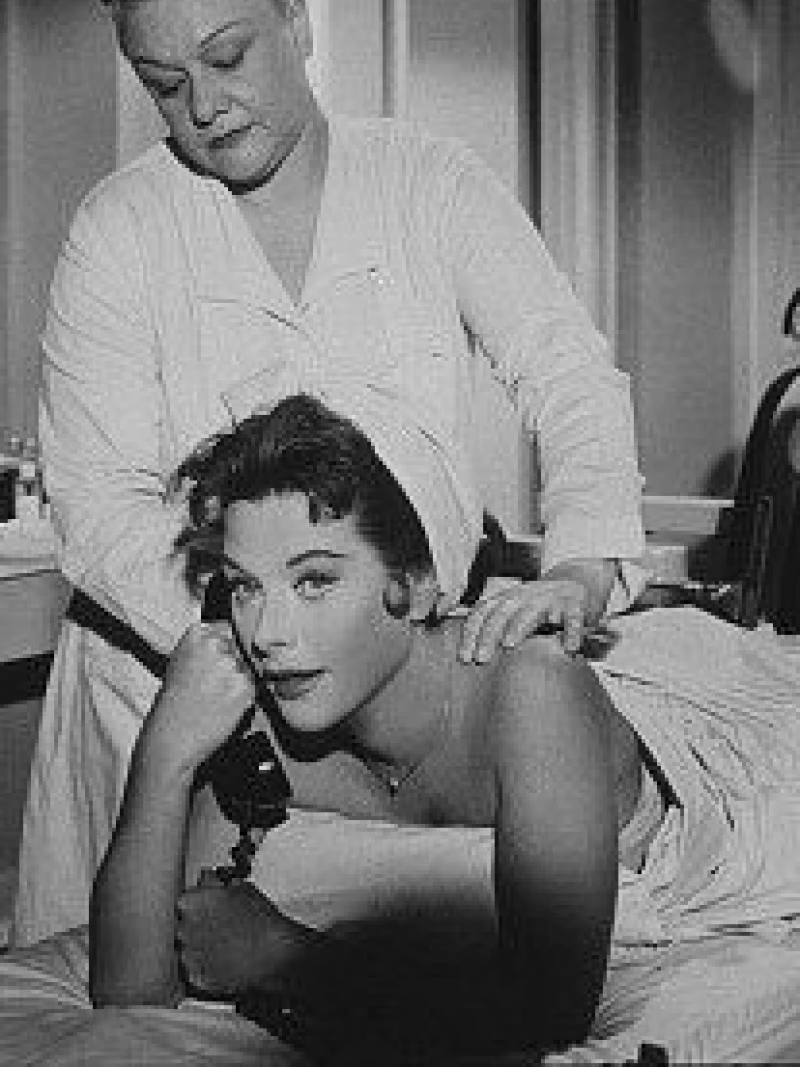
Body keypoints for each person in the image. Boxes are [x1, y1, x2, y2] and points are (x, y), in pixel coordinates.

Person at [14, 0, 644, 948]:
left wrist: (580, 568)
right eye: (165, 85)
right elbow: (98, 507)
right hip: (175, 681)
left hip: (387, 691)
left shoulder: (425, 183)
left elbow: (568, 375)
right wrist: (268, 635)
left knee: (378, 968)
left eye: (228, 57)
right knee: (133, 989)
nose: (204, 106)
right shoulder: (122, 227)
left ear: (297, 18)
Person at [90, 392, 646, 1059]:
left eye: (314, 582)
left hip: (702, 749)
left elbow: (552, 1013)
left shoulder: (535, 686)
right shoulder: (258, 708)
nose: (267, 634)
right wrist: (164, 753)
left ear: (416, 585)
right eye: (245, 587)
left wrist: (287, 957)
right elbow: (130, 987)